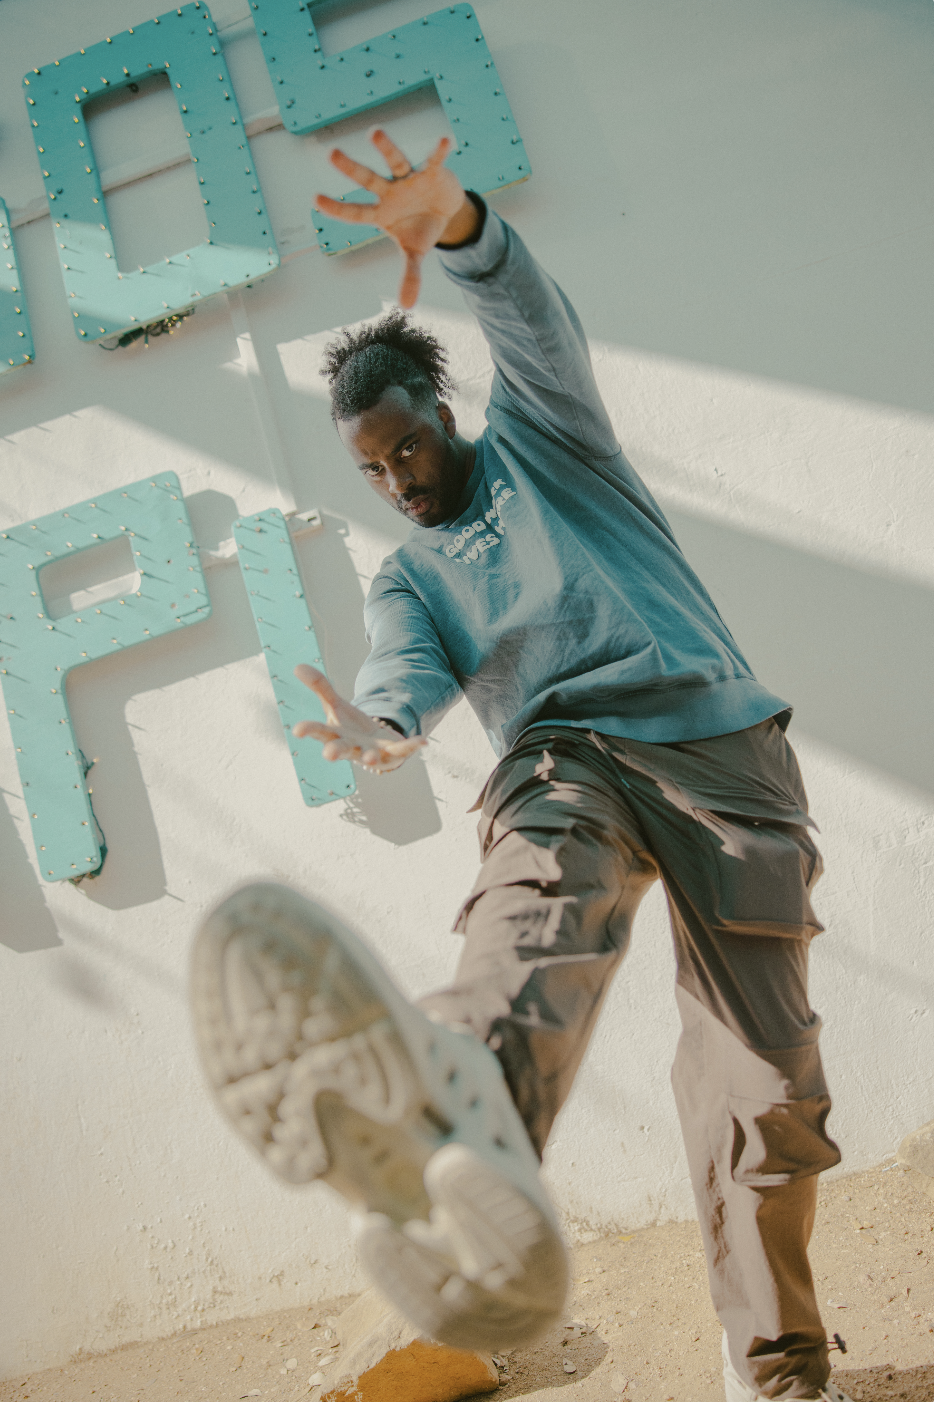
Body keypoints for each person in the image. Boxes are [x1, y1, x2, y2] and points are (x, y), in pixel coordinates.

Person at [190, 130, 853, 1402]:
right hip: (566, 762)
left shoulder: (550, 442)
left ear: (446, 412)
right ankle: (453, 1113)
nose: (397, 482)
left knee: (763, 1085)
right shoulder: (410, 575)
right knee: (540, 878)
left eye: (409, 450)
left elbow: (532, 322)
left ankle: (776, 1363)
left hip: (720, 755)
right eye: (372, 472)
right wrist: (383, 728)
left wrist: (459, 226)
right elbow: (401, 673)